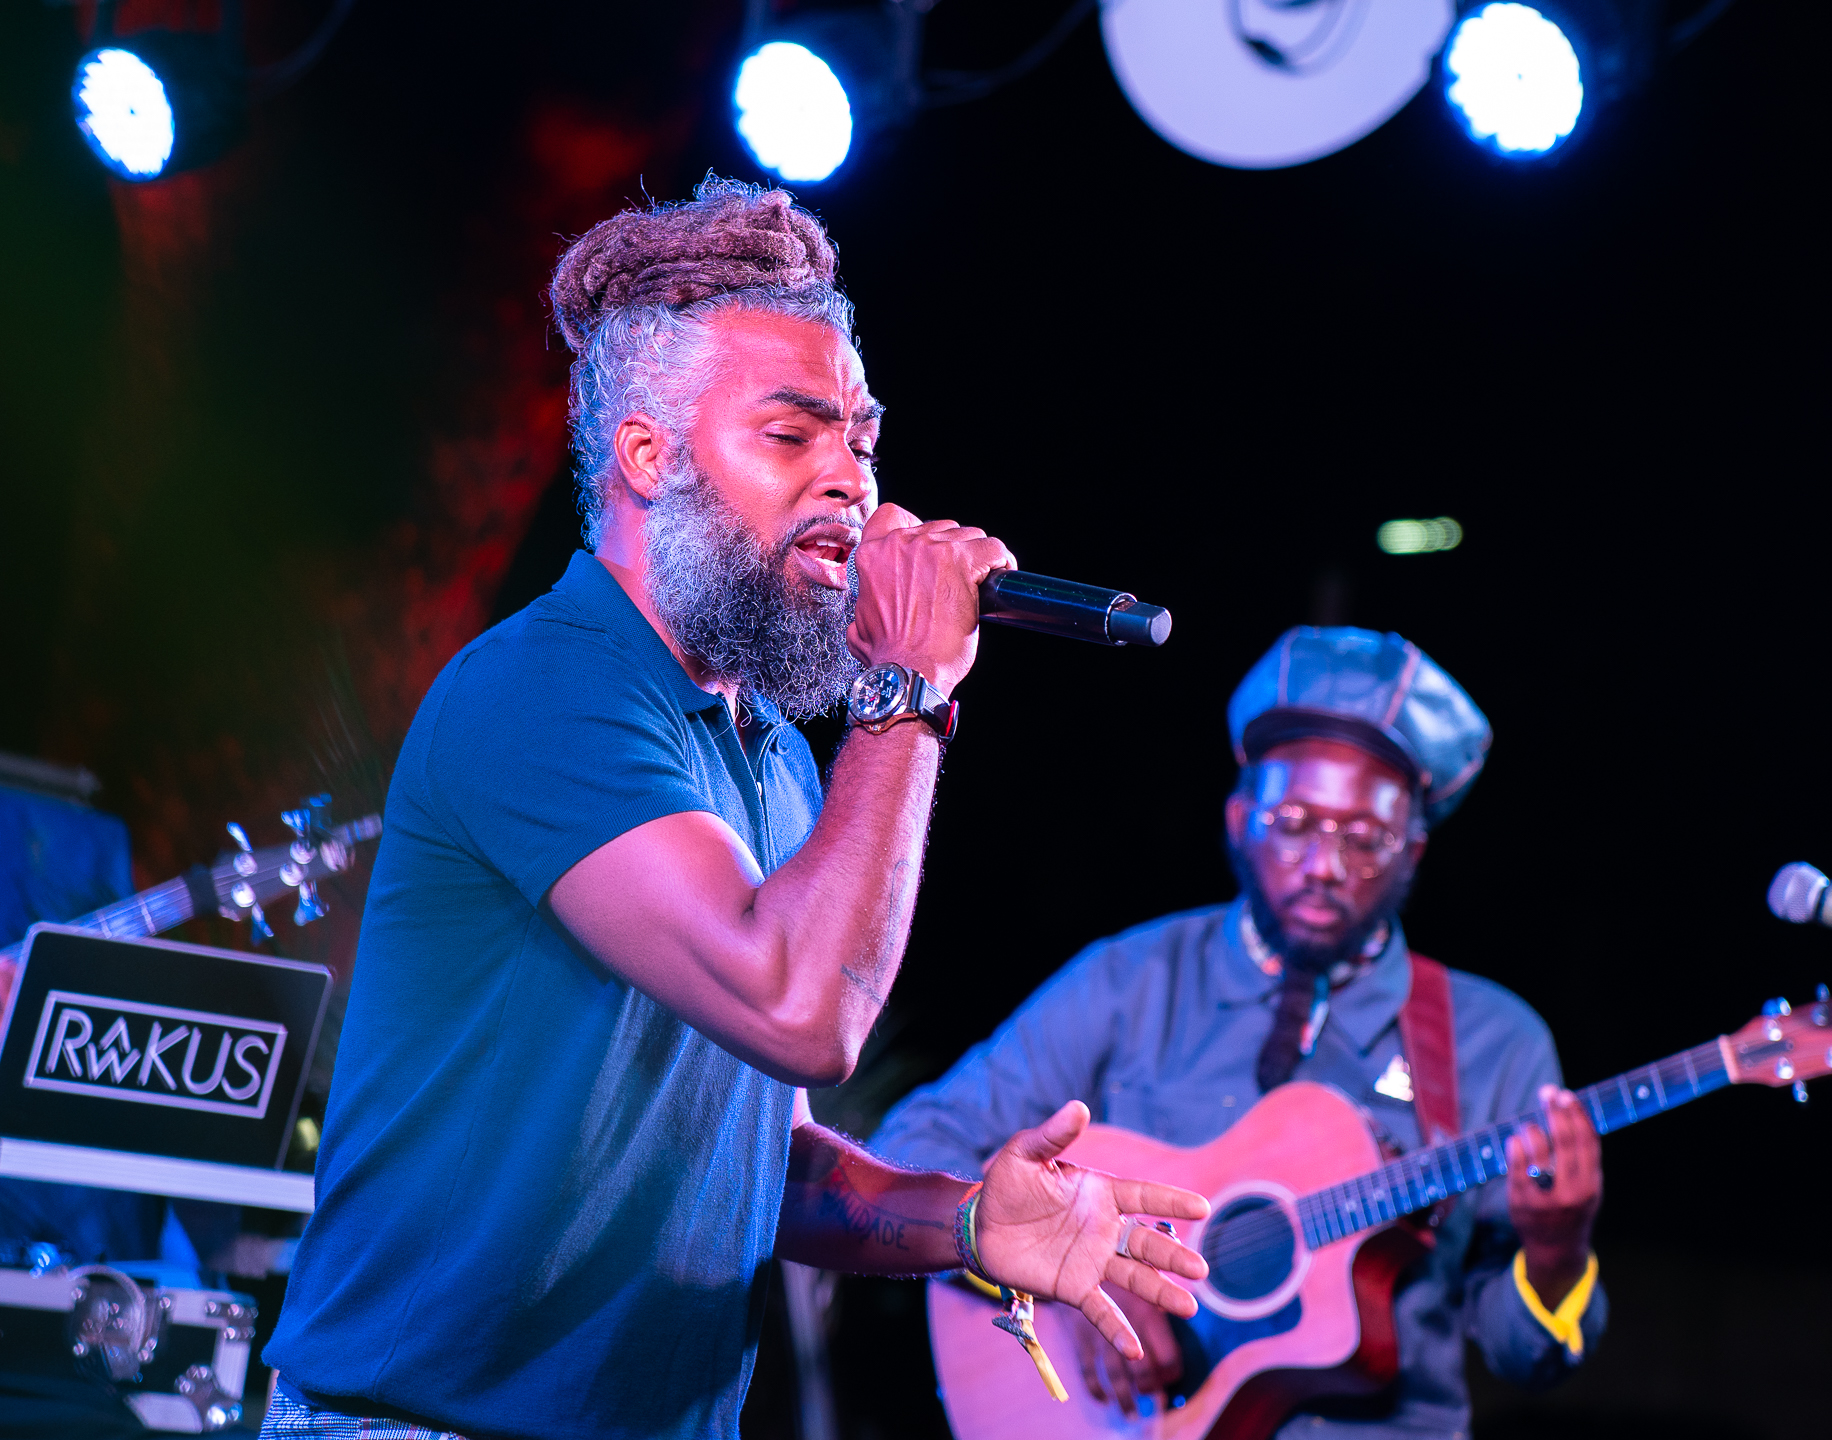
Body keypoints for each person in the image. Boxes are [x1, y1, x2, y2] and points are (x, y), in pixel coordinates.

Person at [262, 177, 1210, 1440]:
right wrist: (908, 686)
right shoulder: (545, 692)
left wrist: (967, 1223)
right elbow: (803, 1007)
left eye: (863, 440)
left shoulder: (769, 756)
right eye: (793, 435)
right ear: (647, 456)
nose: (853, 485)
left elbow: (770, 1160)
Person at [872, 627, 1607, 1438]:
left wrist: (1557, 1250)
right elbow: (917, 1142)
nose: (1324, 864)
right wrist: (1069, 1287)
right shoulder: (1132, 979)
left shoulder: (1492, 1040)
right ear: (1239, 817)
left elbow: (1522, 1359)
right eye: (1293, 821)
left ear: (1413, 852)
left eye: (1364, 839)